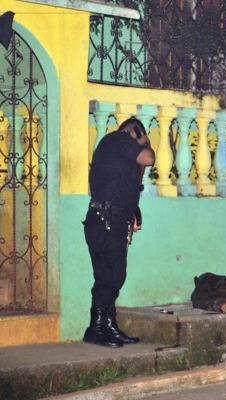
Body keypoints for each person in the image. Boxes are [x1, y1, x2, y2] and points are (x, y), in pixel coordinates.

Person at [83, 117, 155, 348]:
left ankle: (105, 326)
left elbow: (130, 184)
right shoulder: (118, 139)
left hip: (108, 219)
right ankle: (97, 328)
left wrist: (132, 211)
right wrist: (146, 144)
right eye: (141, 138)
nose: (143, 144)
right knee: (111, 276)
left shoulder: (115, 149)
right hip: (106, 220)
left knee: (110, 276)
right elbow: (149, 158)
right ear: (134, 132)